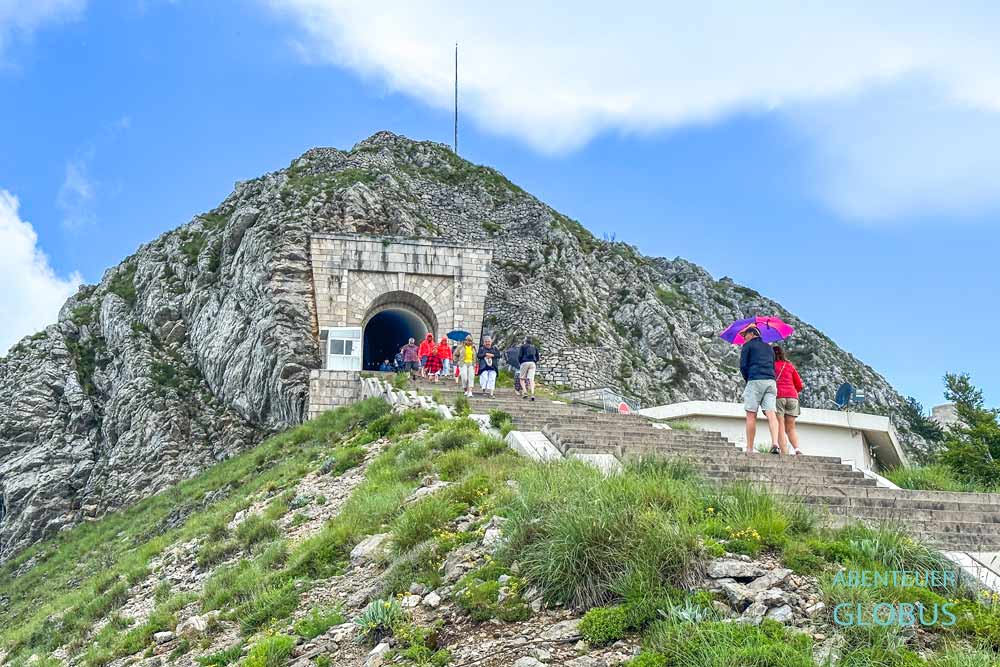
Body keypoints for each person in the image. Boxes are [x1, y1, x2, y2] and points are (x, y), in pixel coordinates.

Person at [739, 326, 782, 454]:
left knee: (751, 414)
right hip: (770, 382)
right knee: (771, 414)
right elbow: (773, 365)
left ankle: (750, 448)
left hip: (755, 380)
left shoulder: (747, 346)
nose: (743, 338)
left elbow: (743, 366)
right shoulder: (769, 348)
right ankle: (775, 443)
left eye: (745, 335)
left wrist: (748, 379)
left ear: (752, 334)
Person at [773, 345, 805, 456]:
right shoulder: (789, 366)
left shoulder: (771, 366)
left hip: (778, 397)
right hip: (792, 397)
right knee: (791, 428)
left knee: (780, 426)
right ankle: (797, 449)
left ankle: (785, 452)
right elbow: (799, 386)